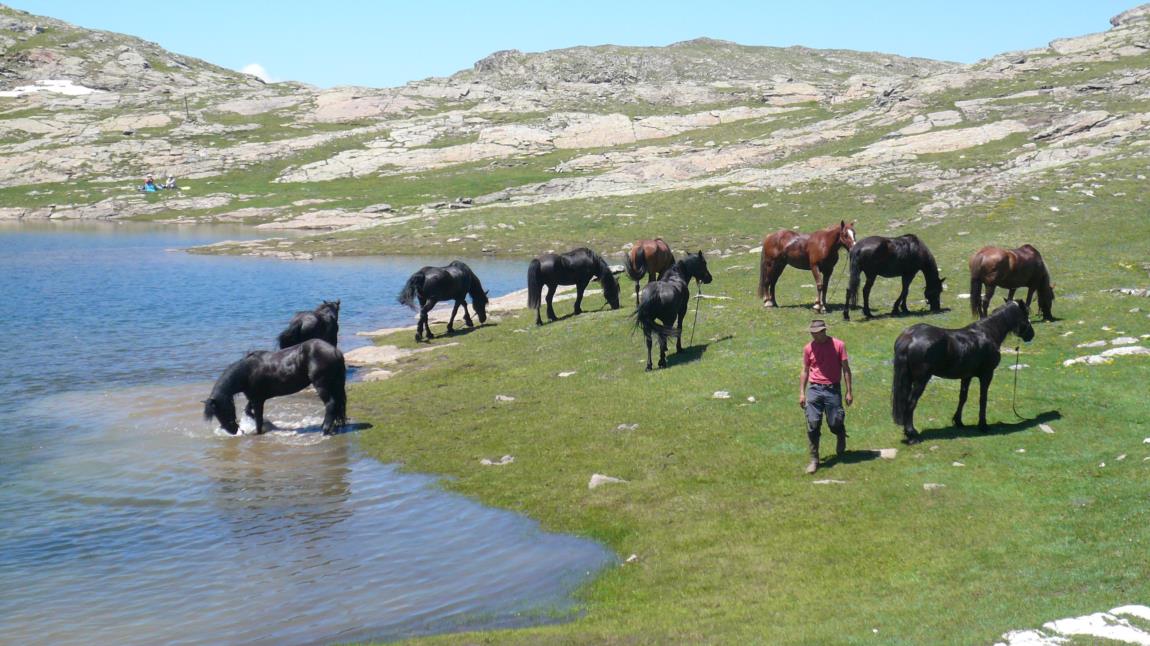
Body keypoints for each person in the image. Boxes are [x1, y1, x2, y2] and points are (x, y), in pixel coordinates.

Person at [799, 319, 853, 474]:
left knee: (835, 421)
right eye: (812, 333)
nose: (814, 335)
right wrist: (802, 393)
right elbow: (805, 370)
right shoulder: (808, 348)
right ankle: (814, 459)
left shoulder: (838, 345)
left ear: (824, 331)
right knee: (813, 423)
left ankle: (840, 434)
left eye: (816, 333)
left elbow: (846, 369)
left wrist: (849, 391)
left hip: (832, 389)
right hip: (814, 389)